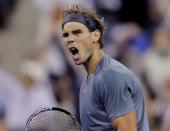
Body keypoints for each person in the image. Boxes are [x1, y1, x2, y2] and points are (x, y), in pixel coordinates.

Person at [61, 5, 150, 131]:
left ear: (95, 36)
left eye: (77, 32)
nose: (70, 39)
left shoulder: (111, 76)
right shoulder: (87, 81)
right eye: (65, 35)